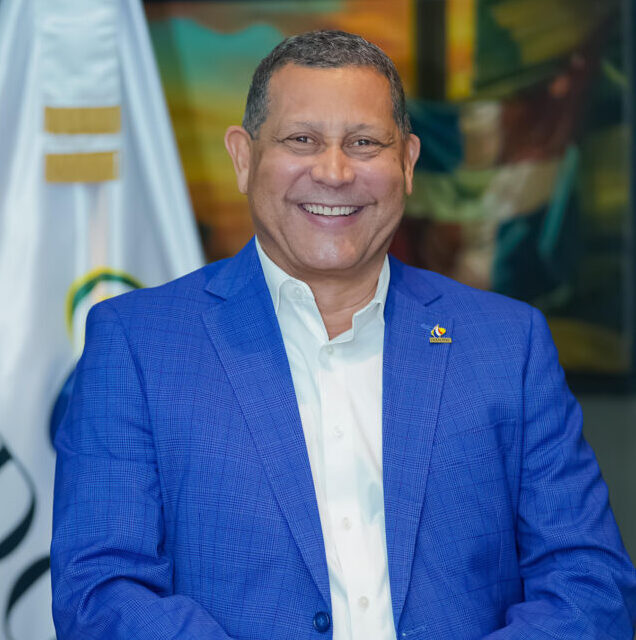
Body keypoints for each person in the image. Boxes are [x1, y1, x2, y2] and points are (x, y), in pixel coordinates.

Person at [51, 30, 636, 640]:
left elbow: (589, 580)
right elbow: (100, 590)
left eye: (364, 143)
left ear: (407, 163)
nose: (333, 172)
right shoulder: (138, 344)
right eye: (301, 140)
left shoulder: (509, 344)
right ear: (244, 158)